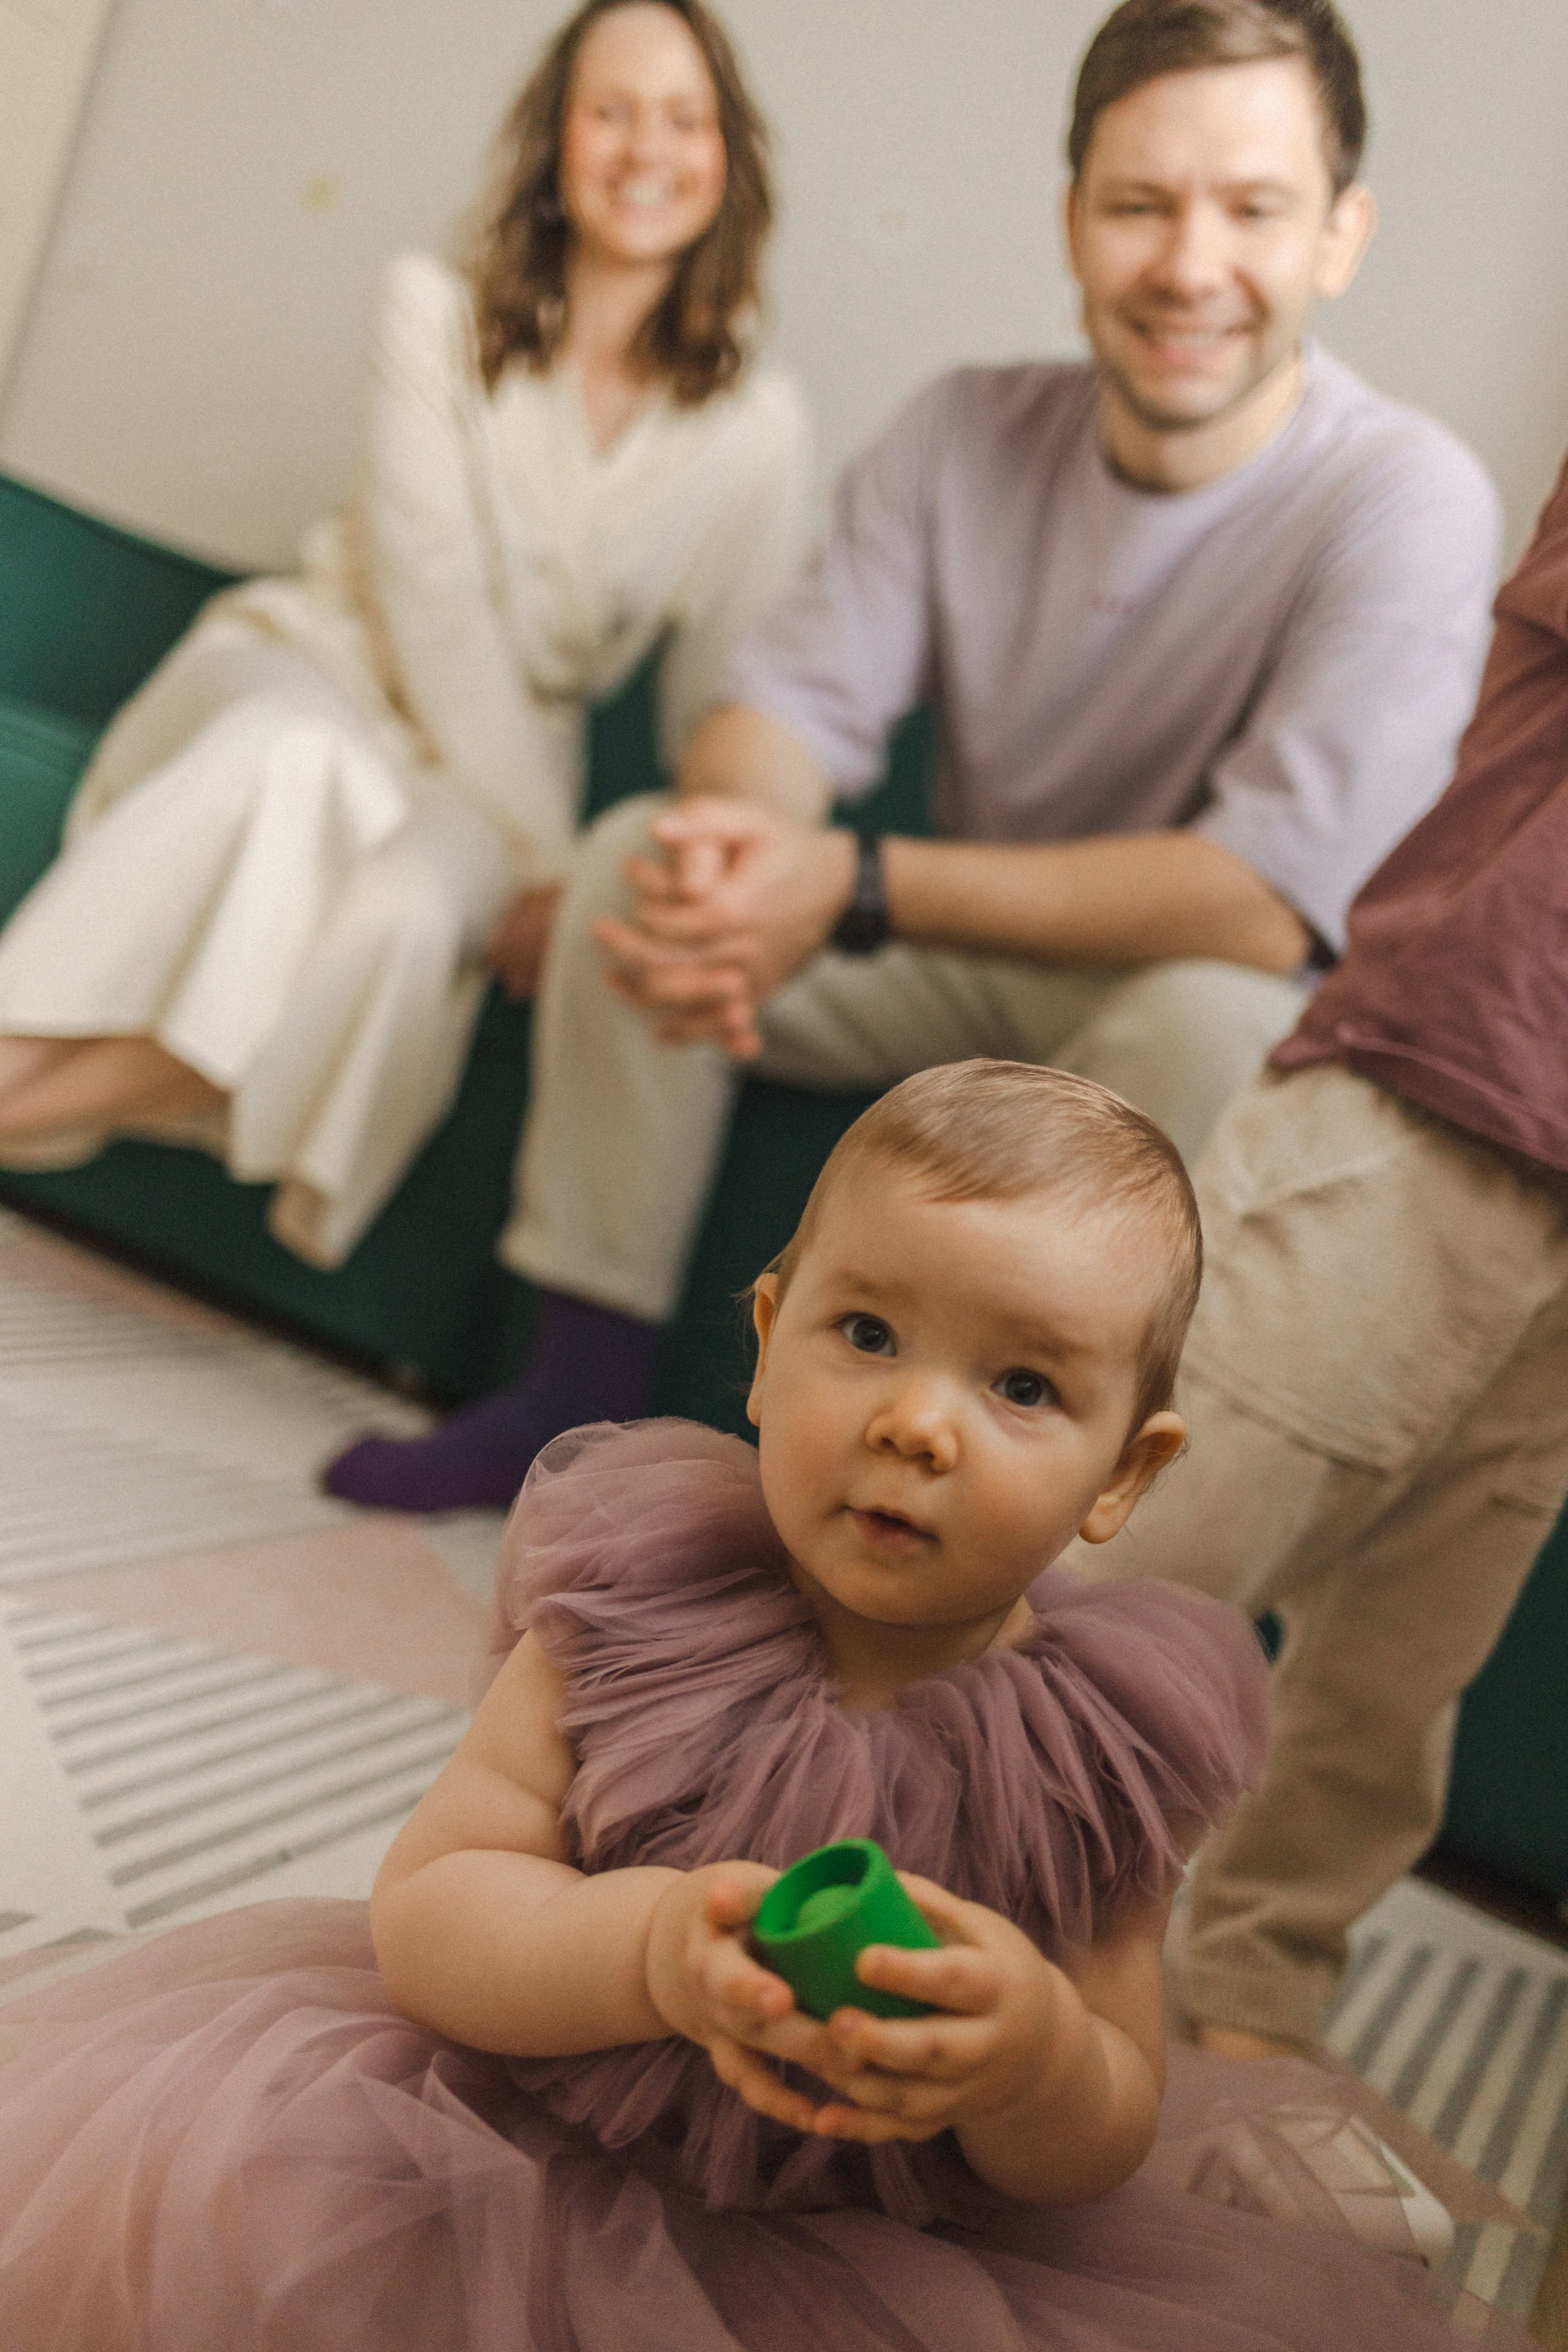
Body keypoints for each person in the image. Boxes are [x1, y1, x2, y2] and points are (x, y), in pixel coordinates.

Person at [0, 1062, 1528, 2350]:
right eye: (865, 1334)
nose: (914, 1423)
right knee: (243, 2227)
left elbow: (1108, 2126)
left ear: (1123, 1473)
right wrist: (648, 1948)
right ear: (764, 1341)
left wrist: (1033, 2061)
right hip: (515, 2159)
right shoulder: (637, 1608)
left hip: (879, 2258)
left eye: (1019, 1387)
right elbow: (432, 1911)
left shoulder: (1100, 1750)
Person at [326, 0, 1501, 1513]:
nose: (1187, 264)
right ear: (1070, 221)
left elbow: (1259, 903)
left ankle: (992, 1527)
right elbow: (777, 716)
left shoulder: (1404, 496)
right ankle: (572, 1407)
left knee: (1212, 1018)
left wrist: (850, 881)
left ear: (1338, 237)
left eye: (1252, 211)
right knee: (638, 861)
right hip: (955, 959)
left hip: (1174, 991)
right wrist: (746, 860)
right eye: (1139, 205)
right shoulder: (960, 432)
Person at [0, 0, 810, 1268]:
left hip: (494, 784)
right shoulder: (431, 310)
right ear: (555, 140)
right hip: (325, 664)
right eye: (609, 112)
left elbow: (731, 700)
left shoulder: (755, 427)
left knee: (407, 922)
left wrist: (697, 872)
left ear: (729, 153)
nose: (646, 148)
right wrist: (551, 859)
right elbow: (430, 597)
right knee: (292, 760)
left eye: (682, 118)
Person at [1056, 448, 1568, 2066]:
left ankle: (1258, 1999)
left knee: (1397, 1676)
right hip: (1426, 1094)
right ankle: (913, 1871)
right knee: (1140, 1562)